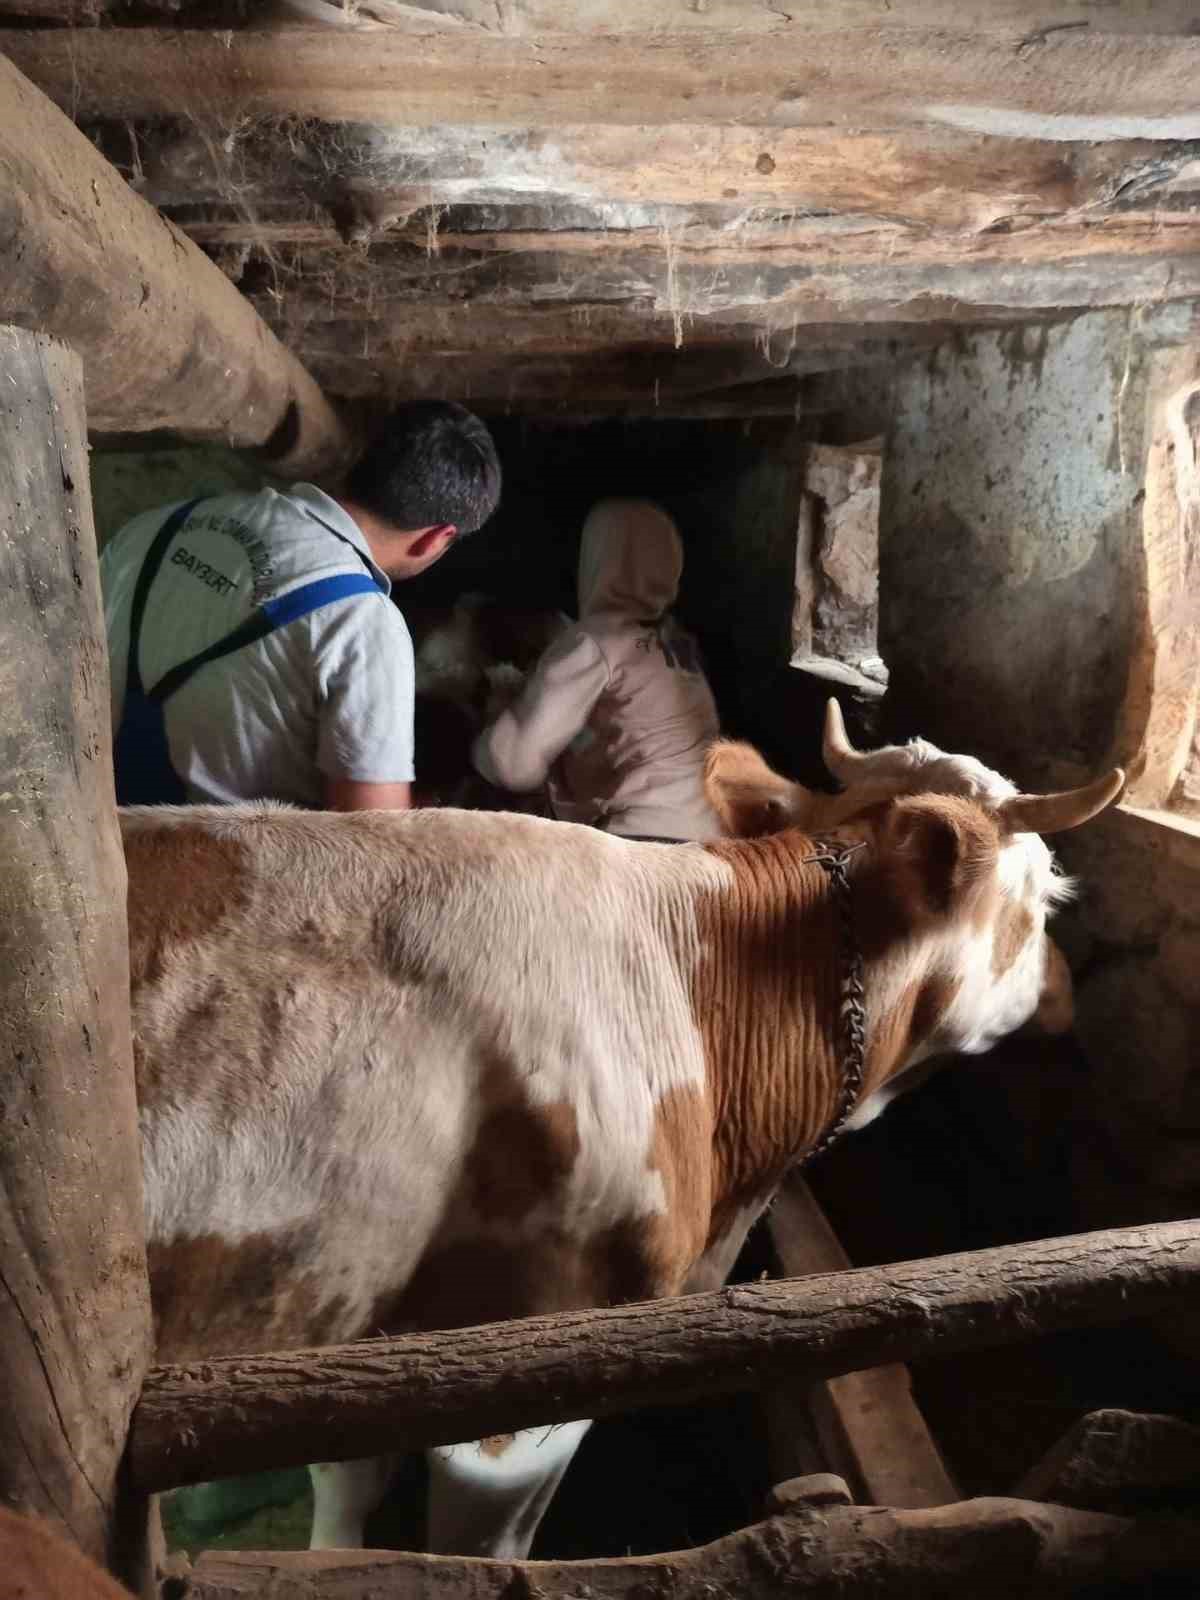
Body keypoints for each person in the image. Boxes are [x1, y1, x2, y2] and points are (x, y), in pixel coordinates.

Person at [102, 400, 500, 811]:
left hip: (86, 811)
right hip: (193, 849)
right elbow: (371, 831)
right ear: (436, 538)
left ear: (357, 465)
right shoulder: (363, 623)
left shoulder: (158, 523)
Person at [471, 496, 723, 841]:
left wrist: (485, 729)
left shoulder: (596, 641)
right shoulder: (676, 641)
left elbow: (512, 764)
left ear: (598, 561)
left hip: (643, 839)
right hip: (708, 837)